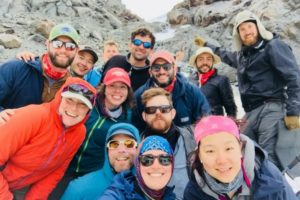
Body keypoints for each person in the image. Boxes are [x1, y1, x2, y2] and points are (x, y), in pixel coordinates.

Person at [195, 10, 300, 167]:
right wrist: (206, 45)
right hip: (251, 112)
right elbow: (225, 55)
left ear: (258, 27)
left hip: (272, 107)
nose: (247, 31)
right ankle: (251, 187)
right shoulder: (243, 56)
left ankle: (275, 189)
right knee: (239, 148)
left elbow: (293, 76)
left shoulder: (273, 46)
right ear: (238, 34)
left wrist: (293, 111)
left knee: (268, 156)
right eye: (242, 29)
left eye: (249, 26)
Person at [0, 77, 97, 200]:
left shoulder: (80, 133)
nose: (73, 109)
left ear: (88, 112)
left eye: (82, 105)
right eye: (69, 100)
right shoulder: (34, 117)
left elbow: (56, 171)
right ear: (60, 98)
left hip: (21, 186)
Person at [48, 67, 135, 199]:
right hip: (61, 167)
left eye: (123, 87)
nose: (117, 91)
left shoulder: (125, 119)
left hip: (91, 174)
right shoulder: (87, 104)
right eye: (112, 86)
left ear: (128, 91)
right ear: (104, 87)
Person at [184, 115, 298, 200]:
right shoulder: (193, 193)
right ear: (199, 155)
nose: (222, 160)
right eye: (210, 151)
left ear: (240, 148)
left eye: (228, 148)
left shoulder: (271, 179)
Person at [0, 23, 79, 124]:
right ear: (47, 44)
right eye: (57, 44)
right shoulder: (17, 68)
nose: (63, 50)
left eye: (70, 46)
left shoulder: (72, 87)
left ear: (76, 50)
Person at [133, 50, 211, 132]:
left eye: (166, 67)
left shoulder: (192, 91)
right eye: (156, 68)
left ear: (175, 69)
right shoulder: (140, 95)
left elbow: (205, 122)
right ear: (150, 72)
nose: (162, 71)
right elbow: (136, 127)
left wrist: (185, 139)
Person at [140, 87, 196, 199]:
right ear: (144, 116)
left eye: (164, 109)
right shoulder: (136, 148)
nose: (158, 113)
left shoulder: (193, 140)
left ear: (173, 113)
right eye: (151, 110)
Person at [61, 123, 141, 199]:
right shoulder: (79, 188)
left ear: (138, 149)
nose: (121, 150)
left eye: (129, 143)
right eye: (114, 144)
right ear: (107, 151)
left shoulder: (149, 189)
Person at [100, 135, 175, 200]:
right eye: (147, 159)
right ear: (138, 165)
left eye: (164, 159)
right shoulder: (118, 194)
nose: (156, 166)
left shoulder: (170, 196)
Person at [16, 45, 99, 86]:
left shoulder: (86, 88)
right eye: (81, 58)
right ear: (72, 56)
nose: (84, 63)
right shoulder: (57, 72)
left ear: (92, 67)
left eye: (89, 61)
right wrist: (28, 58)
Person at [189, 47, 237, 118]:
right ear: (196, 62)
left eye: (208, 59)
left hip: (214, 125)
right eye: (200, 59)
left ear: (213, 62)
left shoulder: (222, 80)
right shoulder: (189, 81)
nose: (205, 62)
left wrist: (231, 125)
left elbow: (230, 107)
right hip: (193, 125)